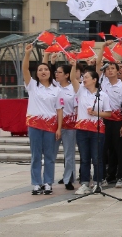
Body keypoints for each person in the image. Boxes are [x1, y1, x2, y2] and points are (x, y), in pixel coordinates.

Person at [22, 43, 63, 196]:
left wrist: (59, 128)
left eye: (45, 69)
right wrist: (27, 54)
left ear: (50, 72)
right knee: (36, 156)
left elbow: (59, 110)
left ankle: (47, 183)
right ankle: (36, 183)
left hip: (51, 127)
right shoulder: (32, 85)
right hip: (35, 125)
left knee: (50, 156)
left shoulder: (56, 89)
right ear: (37, 73)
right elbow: (25, 69)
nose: (43, 71)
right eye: (40, 70)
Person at [71, 65, 114, 195]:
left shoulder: (103, 95)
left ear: (95, 80)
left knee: (97, 158)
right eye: (83, 77)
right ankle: (84, 183)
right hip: (82, 130)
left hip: (97, 130)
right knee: (84, 158)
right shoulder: (81, 91)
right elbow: (72, 78)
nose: (84, 79)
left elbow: (108, 113)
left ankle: (97, 183)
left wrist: (96, 113)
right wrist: (73, 65)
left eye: (87, 77)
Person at [97, 45, 122, 189]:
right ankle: (108, 175)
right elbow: (98, 64)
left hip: (117, 121)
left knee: (120, 150)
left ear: (118, 71)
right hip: (104, 120)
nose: (110, 70)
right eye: (108, 69)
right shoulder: (102, 83)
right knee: (106, 149)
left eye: (113, 68)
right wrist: (103, 48)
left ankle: (121, 177)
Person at [52, 60, 77, 191]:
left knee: (69, 154)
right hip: (54, 125)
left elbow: (76, 107)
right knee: (51, 153)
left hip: (69, 125)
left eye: (60, 72)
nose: (57, 74)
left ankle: (68, 179)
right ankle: (48, 180)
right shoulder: (53, 87)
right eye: (56, 72)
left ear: (67, 75)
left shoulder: (73, 89)